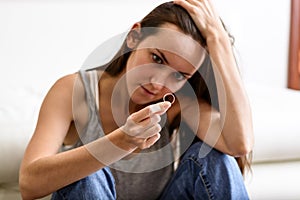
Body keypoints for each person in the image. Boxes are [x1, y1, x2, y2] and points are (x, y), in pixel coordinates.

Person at [19, 0, 254, 199]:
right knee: (85, 174)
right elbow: (29, 183)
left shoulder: (178, 105)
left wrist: (218, 40)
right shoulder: (75, 91)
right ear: (134, 37)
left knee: (215, 159)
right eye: (157, 58)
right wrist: (122, 141)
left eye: (179, 75)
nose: (158, 82)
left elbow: (239, 144)